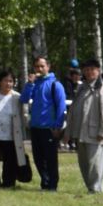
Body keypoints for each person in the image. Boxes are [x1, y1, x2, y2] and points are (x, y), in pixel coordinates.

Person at [66, 57, 103, 194]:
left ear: (98, 71)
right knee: (84, 163)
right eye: (86, 70)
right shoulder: (82, 87)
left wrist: (102, 132)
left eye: (91, 69)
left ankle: (96, 189)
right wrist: (69, 131)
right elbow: (74, 109)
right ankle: (90, 188)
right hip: (81, 132)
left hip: (96, 133)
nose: (88, 72)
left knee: (95, 163)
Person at [20, 56, 67, 191]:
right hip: (35, 127)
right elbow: (24, 99)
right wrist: (29, 84)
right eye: (37, 66)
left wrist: (58, 126)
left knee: (50, 159)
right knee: (38, 158)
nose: (39, 69)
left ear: (48, 67)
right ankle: (44, 183)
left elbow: (61, 107)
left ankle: (52, 185)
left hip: (49, 128)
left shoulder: (55, 85)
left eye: (42, 66)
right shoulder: (35, 84)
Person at [0, 68, 27, 189]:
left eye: (11, 81)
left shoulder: (17, 97)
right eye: (5, 80)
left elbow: (23, 115)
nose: (8, 83)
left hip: (11, 135)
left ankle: (8, 183)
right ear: (0, 81)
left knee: (10, 161)